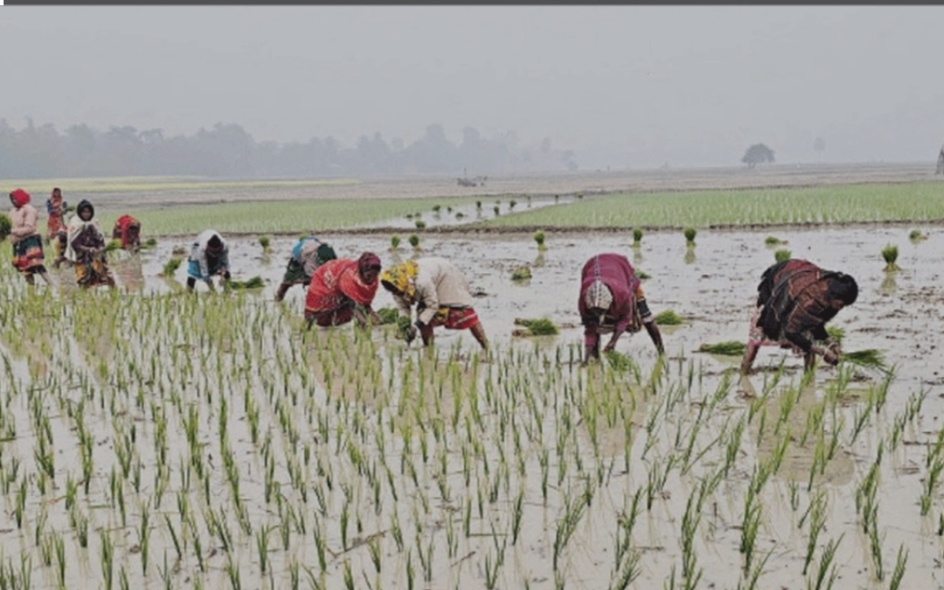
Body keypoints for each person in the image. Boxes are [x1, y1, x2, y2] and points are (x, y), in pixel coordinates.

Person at [740, 259, 858, 374]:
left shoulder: (829, 292)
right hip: (776, 286)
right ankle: (744, 373)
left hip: (795, 276)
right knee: (759, 332)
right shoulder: (809, 299)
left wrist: (831, 343)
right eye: (840, 304)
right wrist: (823, 352)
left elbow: (816, 323)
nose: (840, 308)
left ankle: (809, 379)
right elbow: (791, 332)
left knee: (808, 335)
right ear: (833, 296)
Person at [380, 257, 488, 351]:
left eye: (396, 291)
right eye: (392, 291)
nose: (395, 294)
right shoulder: (396, 286)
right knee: (422, 314)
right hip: (431, 279)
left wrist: (416, 326)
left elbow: (432, 306)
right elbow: (403, 308)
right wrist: (405, 326)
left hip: (446, 276)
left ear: (401, 283)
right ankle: (428, 348)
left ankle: (486, 346)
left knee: (463, 312)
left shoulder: (422, 282)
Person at [578, 253, 664, 363]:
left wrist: (613, 342)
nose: (599, 315)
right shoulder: (584, 301)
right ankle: (595, 360)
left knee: (646, 317)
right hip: (593, 266)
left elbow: (625, 319)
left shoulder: (622, 294)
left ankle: (662, 353)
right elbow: (590, 330)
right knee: (594, 324)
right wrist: (585, 360)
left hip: (620, 269)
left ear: (610, 303)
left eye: (601, 311)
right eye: (595, 311)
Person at [304, 252, 382, 329]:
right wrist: (363, 322)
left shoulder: (373, 280)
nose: (371, 279)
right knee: (314, 314)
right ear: (361, 271)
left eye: (375, 275)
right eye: (369, 275)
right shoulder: (349, 278)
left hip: (339, 283)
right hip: (324, 281)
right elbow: (352, 304)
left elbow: (365, 303)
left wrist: (375, 317)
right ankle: (305, 331)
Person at [68, 199, 115, 289]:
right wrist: (89, 249)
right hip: (82, 258)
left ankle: (114, 294)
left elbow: (100, 239)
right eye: (84, 212)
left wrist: (100, 248)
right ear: (79, 213)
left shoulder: (94, 223)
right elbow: (75, 244)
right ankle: (84, 299)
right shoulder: (76, 224)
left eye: (88, 212)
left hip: (95, 256)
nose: (86, 214)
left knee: (107, 277)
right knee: (83, 280)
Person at [9, 189, 52, 286]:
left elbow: (30, 228)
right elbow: (10, 226)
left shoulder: (29, 210)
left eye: (15, 198)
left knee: (36, 264)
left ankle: (52, 285)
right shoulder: (12, 212)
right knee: (24, 267)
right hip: (18, 243)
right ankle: (31, 289)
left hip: (30, 240)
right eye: (12, 199)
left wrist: (13, 231)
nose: (14, 201)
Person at [275, 235, 337, 302]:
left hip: (314, 265)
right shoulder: (315, 247)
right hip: (307, 265)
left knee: (286, 284)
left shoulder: (314, 249)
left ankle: (278, 299)